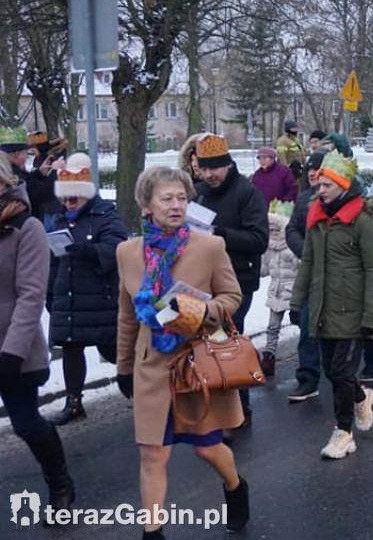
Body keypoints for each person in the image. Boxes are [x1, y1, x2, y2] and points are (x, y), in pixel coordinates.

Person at [116, 166, 249, 538]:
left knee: (207, 450)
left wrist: (203, 311)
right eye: (166, 199)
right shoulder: (127, 252)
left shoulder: (209, 247)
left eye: (181, 198)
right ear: (146, 205)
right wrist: (124, 366)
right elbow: (127, 315)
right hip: (151, 368)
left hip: (195, 366)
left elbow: (232, 297)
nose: (176, 206)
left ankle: (236, 486)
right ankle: (152, 531)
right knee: (153, 454)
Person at [288, 152, 373, 459]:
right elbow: (308, 263)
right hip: (323, 307)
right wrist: (296, 300)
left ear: (343, 185)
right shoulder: (316, 216)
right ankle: (360, 396)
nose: (321, 189)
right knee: (332, 372)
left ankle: (343, 433)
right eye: (319, 183)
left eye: (327, 184)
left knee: (341, 370)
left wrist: (371, 316)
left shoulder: (362, 220)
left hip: (352, 310)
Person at [0, 153, 75, 521]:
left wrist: (11, 353)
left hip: (13, 347)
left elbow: (30, 295)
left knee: (26, 423)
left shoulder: (25, 227)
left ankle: (59, 483)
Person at [46, 153, 128, 425]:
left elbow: (118, 248)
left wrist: (89, 251)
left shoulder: (105, 215)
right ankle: (73, 402)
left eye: (74, 198)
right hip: (68, 297)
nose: (69, 203)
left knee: (113, 349)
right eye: (65, 198)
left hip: (100, 298)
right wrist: (50, 293)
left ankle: (140, 386)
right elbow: (53, 261)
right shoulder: (60, 220)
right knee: (71, 347)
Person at [194, 134, 270, 426]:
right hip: (204, 281)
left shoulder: (247, 193)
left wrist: (219, 234)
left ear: (228, 165)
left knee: (224, 340)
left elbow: (258, 239)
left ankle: (240, 409)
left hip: (238, 281)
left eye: (215, 168)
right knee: (212, 341)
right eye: (204, 168)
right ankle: (221, 400)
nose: (210, 175)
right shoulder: (199, 192)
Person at [285, 150, 326, 400]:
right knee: (308, 326)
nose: (311, 173)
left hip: (339, 276)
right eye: (309, 169)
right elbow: (292, 229)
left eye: (317, 168)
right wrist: (306, 252)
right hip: (311, 274)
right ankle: (308, 378)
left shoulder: (344, 199)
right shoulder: (303, 200)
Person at [259, 200, 300, 378]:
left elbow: (300, 268)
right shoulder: (269, 248)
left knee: (300, 323)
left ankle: (310, 354)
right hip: (276, 292)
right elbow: (264, 269)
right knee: (272, 327)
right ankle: (269, 357)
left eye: (277, 229)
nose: (273, 233)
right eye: (271, 230)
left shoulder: (291, 248)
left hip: (293, 293)